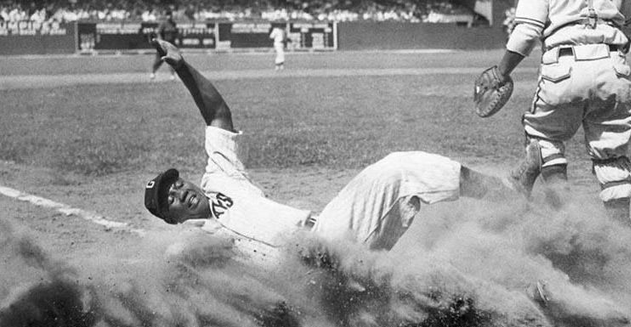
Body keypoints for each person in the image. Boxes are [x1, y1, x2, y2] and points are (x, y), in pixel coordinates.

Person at [144, 39, 519, 254]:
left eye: (176, 184)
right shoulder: (190, 245)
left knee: (399, 169)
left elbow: (218, 116)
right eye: (170, 198)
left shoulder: (220, 177)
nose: (180, 191)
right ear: (170, 218)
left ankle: (505, 195)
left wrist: (183, 68)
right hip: (309, 283)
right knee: (419, 276)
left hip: (328, 239)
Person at [498, 0, 631, 225]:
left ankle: (567, 222)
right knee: (612, 153)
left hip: (564, 65)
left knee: (543, 139)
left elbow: (527, 31)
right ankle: (622, 233)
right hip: (614, 68)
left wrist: (501, 73)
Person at [150, 10, 179, 80]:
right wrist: (161, 42)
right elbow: (159, 32)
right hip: (163, 44)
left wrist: (176, 39)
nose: (169, 16)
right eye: (167, 15)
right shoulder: (163, 23)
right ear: (166, 16)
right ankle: (153, 72)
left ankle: (172, 75)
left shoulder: (173, 23)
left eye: (170, 15)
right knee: (159, 60)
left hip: (171, 44)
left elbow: (175, 33)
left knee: (172, 60)